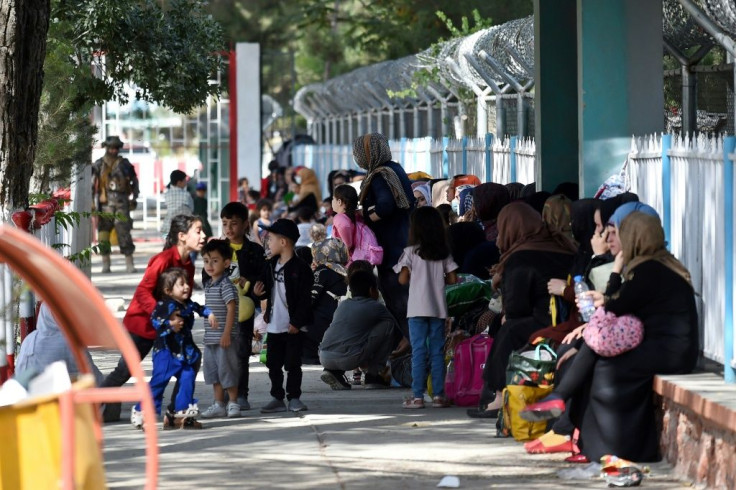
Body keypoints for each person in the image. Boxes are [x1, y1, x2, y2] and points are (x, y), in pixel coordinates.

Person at [522, 211, 698, 463]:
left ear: (634, 238)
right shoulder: (653, 266)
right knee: (596, 359)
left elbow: (613, 308)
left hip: (670, 353)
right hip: (665, 349)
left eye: (619, 234)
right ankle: (584, 437)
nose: (611, 238)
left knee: (603, 367)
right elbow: (615, 306)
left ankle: (596, 437)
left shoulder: (648, 271)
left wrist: (616, 269)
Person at [101, 214, 207, 423]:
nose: (203, 236)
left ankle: (176, 413)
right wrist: (164, 313)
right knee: (125, 370)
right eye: (198, 231)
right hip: (142, 325)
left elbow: (182, 298)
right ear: (182, 236)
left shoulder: (189, 265)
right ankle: (89, 407)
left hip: (168, 330)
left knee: (190, 362)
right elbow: (142, 292)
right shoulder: (163, 260)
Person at [478, 202, 576, 415]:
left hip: (545, 323)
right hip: (570, 318)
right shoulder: (562, 246)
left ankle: (497, 394)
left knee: (507, 327)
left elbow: (515, 307)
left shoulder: (521, 256)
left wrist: (501, 285)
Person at [132, 268, 215, 429]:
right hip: (166, 352)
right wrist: (170, 323)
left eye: (187, 284)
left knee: (188, 377)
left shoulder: (187, 304)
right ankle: (142, 412)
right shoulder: (164, 305)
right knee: (158, 383)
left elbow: (199, 308)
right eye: (181, 284)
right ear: (168, 290)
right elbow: (155, 321)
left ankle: (181, 414)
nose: (186, 287)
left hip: (184, 353)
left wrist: (209, 313)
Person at [353, 133, 415, 347]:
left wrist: (367, 217)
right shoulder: (394, 169)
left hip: (392, 250)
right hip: (404, 243)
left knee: (399, 304)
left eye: (359, 152)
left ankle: (411, 356)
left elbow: (386, 206)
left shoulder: (380, 175)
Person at [395, 206, 458, 409]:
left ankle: (418, 396)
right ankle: (439, 395)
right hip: (438, 308)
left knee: (419, 352)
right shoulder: (443, 253)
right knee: (437, 351)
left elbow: (402, 280)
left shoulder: (410, 252)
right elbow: (453, 278)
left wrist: (413, 274)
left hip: (416, 309)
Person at [253, 219, 314, 413]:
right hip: (274, 325)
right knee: (273, 363)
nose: (267, 242)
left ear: (283, 242)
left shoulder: (301, 268)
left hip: (292, 326)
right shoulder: (270, 265)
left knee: (293, 364)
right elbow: (264, 287)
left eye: (270, 238)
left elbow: (306, 299)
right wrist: (257, 292)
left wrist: (297, 322)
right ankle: (277, 397)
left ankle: (294, 397)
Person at [219, 202, 266, 410]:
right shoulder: (218, 249)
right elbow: (206, 273)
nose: (229, 228)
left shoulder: (254, 250)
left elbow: (263, 276)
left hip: (244, 311)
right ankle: (221, 397)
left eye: (234, 224)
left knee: (241, 355)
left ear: (245, 224)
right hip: (222, 311)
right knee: (221, 355)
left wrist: (254, 288)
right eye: (225, 224)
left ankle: (241, 395)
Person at [319, 268, 398, 390]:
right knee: (388, 324)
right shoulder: (376, 306)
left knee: (349, 333)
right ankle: (373, 375)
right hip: (349, 358)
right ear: (372, 290)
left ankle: (333, 372)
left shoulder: (343, 305)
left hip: (324, 356)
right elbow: (396, 324)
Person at [199, 239, 241, 419]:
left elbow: (231, 308)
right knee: (213, 373)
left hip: (225, 338)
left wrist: (226, 333)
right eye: (206, 261)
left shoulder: (226, 285)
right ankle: (218, 404)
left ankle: (233, 403)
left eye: (214, 260)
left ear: (226, 263)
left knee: (227, 370)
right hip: (210, 338)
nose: (209, 265)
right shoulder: (208, 284)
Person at [15, 303, 103, 384]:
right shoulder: (69, 343)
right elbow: (95, 380)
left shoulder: (29, 340)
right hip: (60, 398)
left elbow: (20, 371)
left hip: (30, 397)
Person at [91, 135, 140, 274]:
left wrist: (134, 197)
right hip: (105, 205)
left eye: (116, 148)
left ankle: (129, 263)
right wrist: (91, 203)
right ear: (106, 147)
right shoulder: (99, 164)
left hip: (121, 204)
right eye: (111, 148)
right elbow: (92, 184)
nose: (113, 150)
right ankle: (106, 264)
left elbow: (134, 181)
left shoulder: (124, 164)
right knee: (103, 235)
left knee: (124, 232)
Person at [305, 238, 349, 364]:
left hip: (319, 330)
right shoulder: (346, 272)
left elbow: (310, 299)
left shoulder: (323, 271)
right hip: (338, 326)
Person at [331, 184, 361, 265]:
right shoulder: (356, 215)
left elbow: (347, 245)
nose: (332, 201)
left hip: (347, 264)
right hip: (357, 260)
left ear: (339, 202)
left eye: (333, 199)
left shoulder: (340, 219)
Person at [162, 170, 194, 238]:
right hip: (183, 227)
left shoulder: (167, 194)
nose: (186, 182)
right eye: (185, 180)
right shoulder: (187, 195)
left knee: (168, 246)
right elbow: (191, 209)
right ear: (179, 182)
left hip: (167, 227)